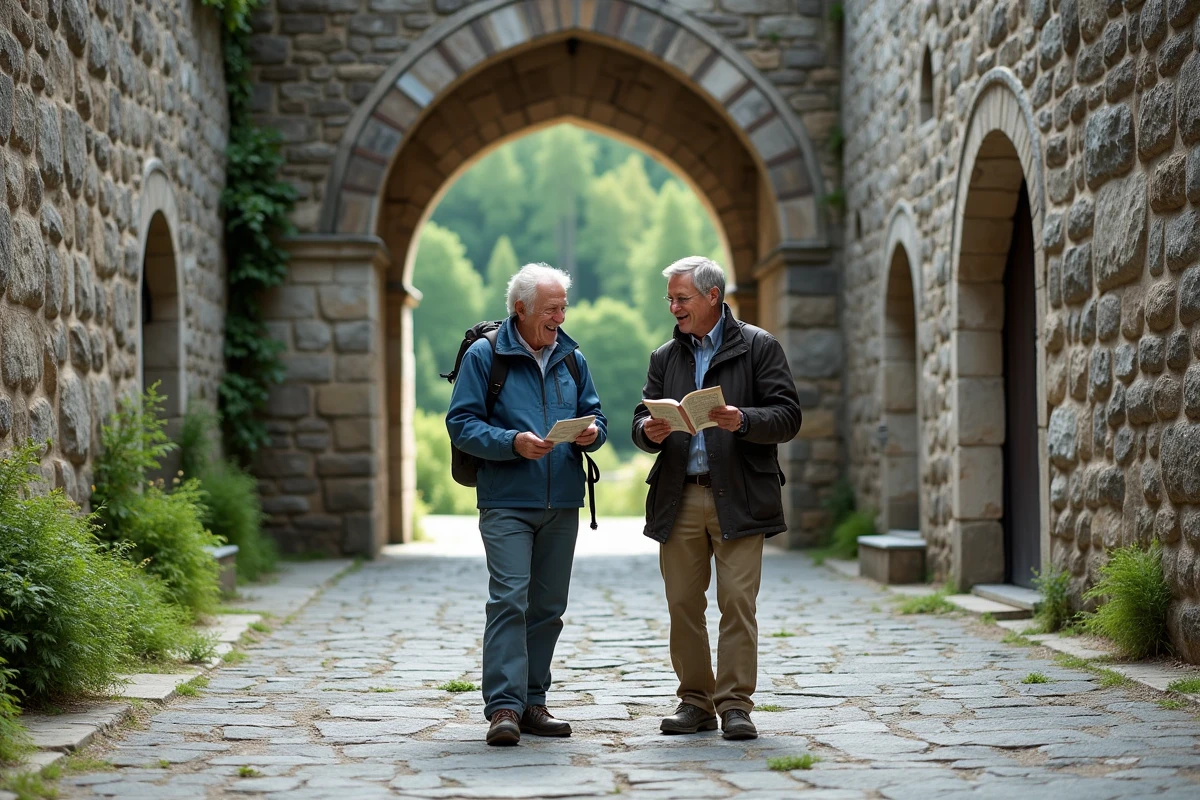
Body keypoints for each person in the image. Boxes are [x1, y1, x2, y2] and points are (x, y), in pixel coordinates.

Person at [632, 256, 802, 741]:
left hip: (742, 496)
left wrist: (742, 420)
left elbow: (788, 417)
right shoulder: (665, 357)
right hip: (678, 496)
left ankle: (734, 706)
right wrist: (649, 428)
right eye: (670, 298)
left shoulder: (759, 346)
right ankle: (694, 702)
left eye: (681, 298)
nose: (673, 307)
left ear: (712, 296)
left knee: (736, 603)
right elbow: (639, 421)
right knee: (683, 603)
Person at [446, 263, 607, 747]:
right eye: (550, 308)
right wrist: (512, 442)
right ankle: (503, 709)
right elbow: (461, 424)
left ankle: (534, 702)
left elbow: (595, 412)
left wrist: (593, 432)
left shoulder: (573, 358)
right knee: (509, 599)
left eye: (563, 307)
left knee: (549, 608)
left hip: (562, 500)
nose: (560, 317)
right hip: (507, 501)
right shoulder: (484, 356)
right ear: (520, 309)